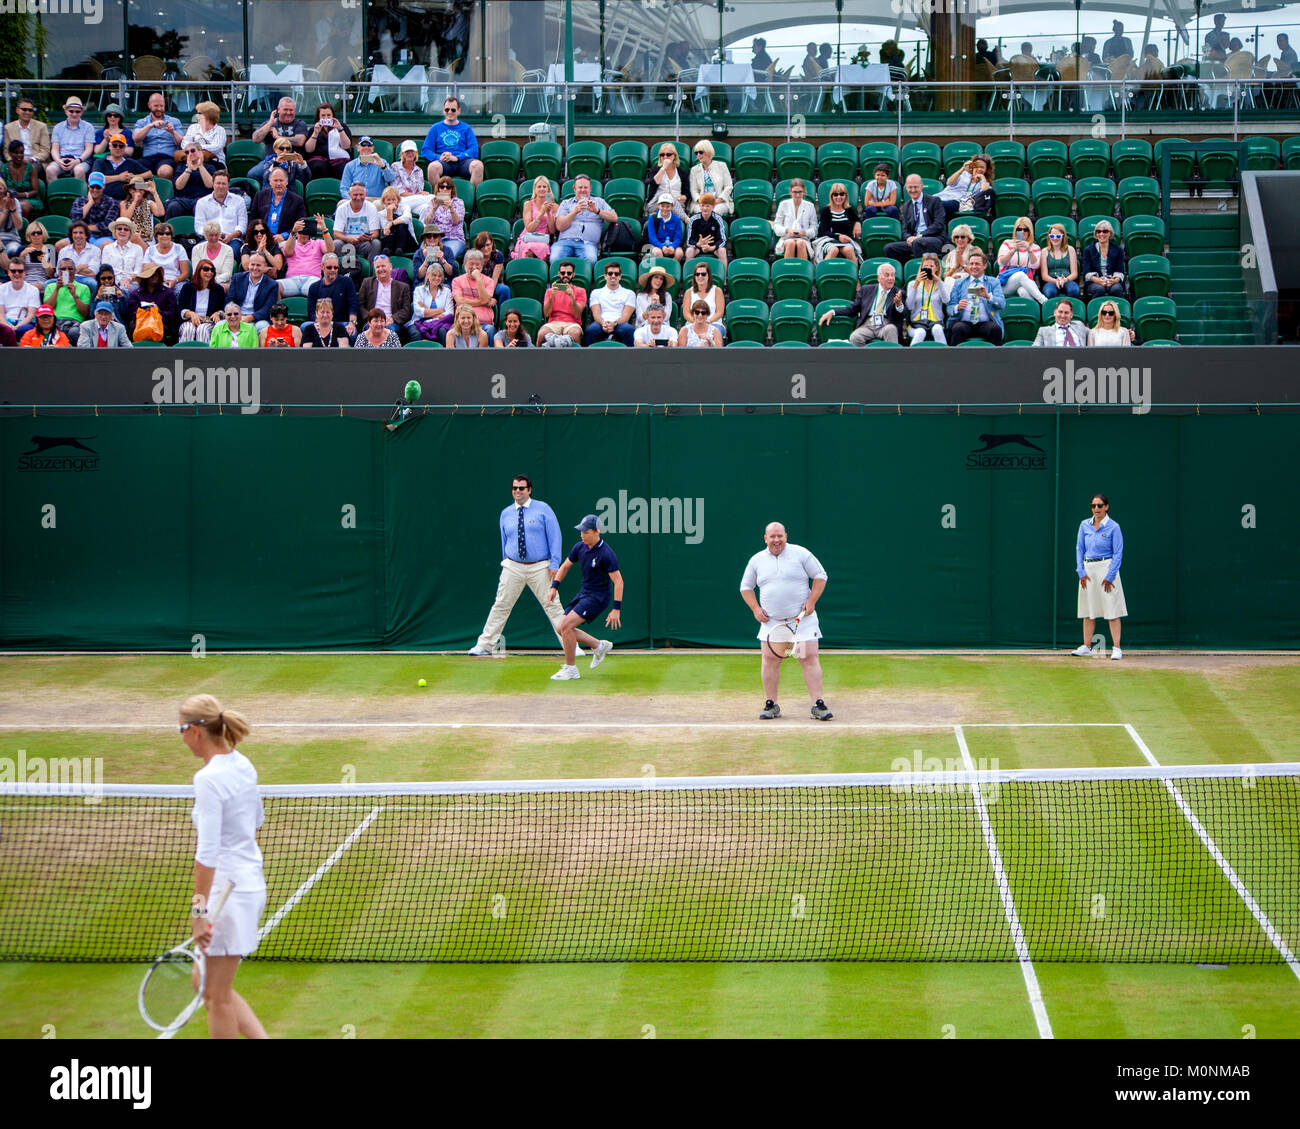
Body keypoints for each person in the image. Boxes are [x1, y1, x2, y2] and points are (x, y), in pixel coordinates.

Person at [176, 693, 269, 1039]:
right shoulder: (243, 764)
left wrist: (199, 911)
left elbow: (208, 852)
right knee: (207, 983)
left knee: (215, 997)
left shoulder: (208, 780)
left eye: (180, 729)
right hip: (248, 885)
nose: (181, 737)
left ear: (195, 731)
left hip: (224, 896)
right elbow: (255, 819)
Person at [469, 475, 572, 656]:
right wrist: (506, 562)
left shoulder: (543, 509)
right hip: (512, 566)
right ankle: (485, 644)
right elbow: (504, 540)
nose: (517, 491)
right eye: (515, 488)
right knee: (501, 605)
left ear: (529, 490)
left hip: (540, 566)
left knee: (553, 605)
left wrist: (554, 564)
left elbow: (555, 537)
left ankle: (570, 645)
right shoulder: (506, 513)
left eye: (521, 488)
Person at [739, 521, 833, 721]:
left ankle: (818, 704)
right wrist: (755, 609)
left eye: (779, 536)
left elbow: (820, 576)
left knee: (808, 659)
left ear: (785, 536)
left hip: (802, 622)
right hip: (772, 624)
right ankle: (771, 704)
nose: (776, 540)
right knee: (771, 661)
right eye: (772, 536)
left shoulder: (801, 554)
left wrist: (812, 601)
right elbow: (745, 587)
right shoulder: (756, 560)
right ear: (765, 538)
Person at [545, 514, 621, 681]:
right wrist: (554, 588)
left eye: (586, 532)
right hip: (584, 593)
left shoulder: (606, 554)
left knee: (565, 626)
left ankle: (571, 669)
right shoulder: (579, 547)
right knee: (562, 628)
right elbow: (564, 567)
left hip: (597, 598)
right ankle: (598, 645)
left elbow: (618, 581)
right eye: (581, 531)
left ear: (597, 532)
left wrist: (616, 609)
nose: (582, 535)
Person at [1073, 494, 1126, 659]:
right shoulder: (1084, 525)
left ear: (1106, 507)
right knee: (1088, 610)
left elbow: (1118, 553)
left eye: (1100, 505)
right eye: (1093, 506)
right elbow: (1079, 548)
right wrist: (1080, 571)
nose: (1096, 509)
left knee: (1112, 609)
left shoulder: (1114, 527)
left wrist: (1110, 575)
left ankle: (1116, 648)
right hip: (1088, 569)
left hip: (1107, 567)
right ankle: (1086, 646)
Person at [819, 260, 905, 345]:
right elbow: (852, 309)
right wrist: (833, 312)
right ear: (879, 278)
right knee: (855, 337)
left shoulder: (898, 293)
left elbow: (902, 315)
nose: (891, 278)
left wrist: (898, 305)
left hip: (886, 324)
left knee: (891, 329)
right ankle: (863, 359)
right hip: (868, 323)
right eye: (887, 275)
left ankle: (892, 359)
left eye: (893, 275)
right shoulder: (866, 290)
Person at [419, 95, 484, 186]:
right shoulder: (435, 128)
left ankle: (471, 198)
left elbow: (474, 149)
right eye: (447, 109)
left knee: (478, 166)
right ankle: (440, 200)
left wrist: (457, 157)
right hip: (444, 162)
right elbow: (426, 150)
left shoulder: (466, 128)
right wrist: (439, 157)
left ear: (459, 111)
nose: (450, 112)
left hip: (463, 162)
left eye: (453, 110)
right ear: (443, 110)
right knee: (432, 167)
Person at [946, 249, 1005, 345]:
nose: (973, 267)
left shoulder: (993, 282)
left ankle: (996, 359)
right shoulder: (958, 283)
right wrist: (957, 307)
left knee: (995, 329)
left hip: (985, 323)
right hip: (964, 322)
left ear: (984, 266)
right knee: (958, 328)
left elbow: (1002, 304)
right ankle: (954, 359)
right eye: (971, 264)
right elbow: (949, 308)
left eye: (977, 264)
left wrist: (988, 296)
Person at [553, 175, 614, 264]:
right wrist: (574, 212)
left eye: (586, 187)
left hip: (588, 243)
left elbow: (614, 217)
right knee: (555, 259)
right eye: (580, 187)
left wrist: (597, 211)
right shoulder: (565, 203)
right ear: (574, 188)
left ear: (590, 188)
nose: (583, 190)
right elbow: (559, 226)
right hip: (565, 241)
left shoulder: (599, 202)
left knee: (591, 260)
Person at [248, 99, 310, 185]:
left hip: (292, 159)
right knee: (252, 174)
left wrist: (278, 137)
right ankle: (263, 195)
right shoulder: (270, 123)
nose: (288, 112)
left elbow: (299, 141)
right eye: (285, 109)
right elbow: (255, 139)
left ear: (295, 111)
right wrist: (270, 123)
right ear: (278, 110)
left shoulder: (300, 123)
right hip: (271, 160)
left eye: (291, 110)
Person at [884, 174, 945, 262]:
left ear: (921, 186)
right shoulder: (906, 206)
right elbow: (904, 230)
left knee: (918, 243)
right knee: (889, 248)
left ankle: (921, 272)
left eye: (915, 187)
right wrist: (908, 238)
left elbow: (938, 224)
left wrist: (920, 236)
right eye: (910, 187)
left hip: (934, 239)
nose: (913, 190)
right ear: (906, 187)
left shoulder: (934, 201)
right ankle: (906, 273)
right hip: (914, 241)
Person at [194, 171, 248, 264]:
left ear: (228, 185)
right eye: (218, 183)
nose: (221, 186)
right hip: (208, 238)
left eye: (224, 184)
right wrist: (212, 236)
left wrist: (230, 236)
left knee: (232, 253)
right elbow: (199, 227)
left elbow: (242, 225)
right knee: (197, 252)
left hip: (232, 239)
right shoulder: (202, 202)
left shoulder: (239, 201)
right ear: (213, 184)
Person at [359, 253, 413, 340]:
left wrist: (392, 319)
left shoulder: (403, 287)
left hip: (391, 322)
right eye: (377, 267)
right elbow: (360, 305)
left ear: (390, 266)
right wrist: (371, 318)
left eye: (383, 266)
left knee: (389, 331)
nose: (381, 269)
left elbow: (406, 310)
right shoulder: (367, 283)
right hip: (371, 321)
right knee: (371, 330)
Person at [277, 213, 332, 298]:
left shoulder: (318, 242)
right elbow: (288, 252)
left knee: (319, 288)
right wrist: (293, 232)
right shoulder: (291, 242)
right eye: (301, 231)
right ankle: (278, 310)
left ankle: (315, 311)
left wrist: (324, 230)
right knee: (274, 286)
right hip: (292, 280)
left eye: (306, 231)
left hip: (312, 279)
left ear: (310, 232)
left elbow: (330, 249)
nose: (303, 234)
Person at [307, 253, 359, 338]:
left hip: (341, 322)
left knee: (352, 333)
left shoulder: (347, 282)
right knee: (304, 327)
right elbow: (311, 312)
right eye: (329, 267)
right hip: (321, 323)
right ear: (322, 267)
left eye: (335, 267)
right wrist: (319, 323)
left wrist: (352, 323)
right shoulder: (314, 287)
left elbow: (353, 305)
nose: (333, 270)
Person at [995, 216, 1047, 303]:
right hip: (1005, 283)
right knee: (1020, 275)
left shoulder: (1035, 247)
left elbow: (1035, 265)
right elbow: (1000, 262)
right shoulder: (1007, 243)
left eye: (1025, 229)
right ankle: (1044, 301)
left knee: (1023, 291)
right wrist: (1013, 250)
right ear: (1015, 231)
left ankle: (1033, 311)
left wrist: (1029, 249)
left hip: (1026, 282)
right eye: (1019, 229)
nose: (1022, 232)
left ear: (1030, 231)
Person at [131, 92, 183, 178]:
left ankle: (164, 191)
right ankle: (142, 190)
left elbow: (180, 143)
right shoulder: (142, 122)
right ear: (149, 105)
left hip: (167, 158)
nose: (159, 108)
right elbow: (136, 138)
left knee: (165, 172)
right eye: (156, 106)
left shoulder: (174, 121)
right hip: (147, 157)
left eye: (161, 106)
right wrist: (150, 126)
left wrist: (172, 132)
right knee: (134, 170)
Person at [124, 261, 179, 342]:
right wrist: (144, 312)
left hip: (162, 326)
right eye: (152, 275)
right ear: (145, 278)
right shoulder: (136, 294)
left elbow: (173, 312)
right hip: (141, 326)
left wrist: (159, 313)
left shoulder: (168, 293)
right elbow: (131, 313)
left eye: (157, 274)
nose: (155, 277)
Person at [585, 261, 636, 345]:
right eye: (610, 273)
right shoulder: (596, 292)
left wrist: (614, 324)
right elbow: (596, 313)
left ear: (620, 276)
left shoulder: (629, 293)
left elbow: (625, 317)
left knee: (629, 330)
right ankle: (590, 357)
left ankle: (629, 357)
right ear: (605, 276)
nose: (613, 276)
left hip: (620, 324)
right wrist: (603, 323)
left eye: (616, 274)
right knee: (591, 330)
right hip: (601, 323)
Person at [904, 253, 950, 344]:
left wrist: (938, 281)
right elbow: (909, 306)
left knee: (937, 329)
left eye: (931, 266)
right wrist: (916, 284)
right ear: (921, 268)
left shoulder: (941, 285)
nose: (928, 268)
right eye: (925, 266)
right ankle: (911, 357)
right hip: (917, 324)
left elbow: (946, 300)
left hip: (936, 322)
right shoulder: (912, 284)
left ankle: (945, 356)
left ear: (936, 268)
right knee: (920, 332)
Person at [226, 251, 278, 332]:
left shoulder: (272, 284)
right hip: (236, 315)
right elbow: (230, 300)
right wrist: (236, 315)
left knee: (263, 327)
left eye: (258, 265)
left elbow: (268, 308)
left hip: (257, 319)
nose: (255, 268)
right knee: (219, 325)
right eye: (252, 264)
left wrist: (251, 317)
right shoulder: (237, 278)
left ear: (265, 266)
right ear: (248, 265)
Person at [537, 261, 586, 346]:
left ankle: (578, 358)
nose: (566, 275)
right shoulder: (550, 291)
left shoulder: (580, 291)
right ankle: (536, 358)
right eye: (563, 273)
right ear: (559, 274)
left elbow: (577, 314)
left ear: (573, 274)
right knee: (541, 334)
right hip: (554, 322)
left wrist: (572, 297)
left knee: (575, 333)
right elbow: (547, 314)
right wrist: (551, 297)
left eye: (569, 273)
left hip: (572, 323)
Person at [46, 97, 94, 183]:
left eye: (77, 111)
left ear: (81, 112)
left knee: (79, 170)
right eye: (71, 111)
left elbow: (89, 149)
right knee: (50, 170)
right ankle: (56, 195)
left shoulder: (88, 127)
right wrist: (59, 161)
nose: (74, 114)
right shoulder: (58, 127)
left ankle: (80, 196)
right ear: (66, 111)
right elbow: (54, 149)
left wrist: (78, 161)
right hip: (62, 160)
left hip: (80, 160)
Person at [251, 167, 307, 241]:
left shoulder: (297, 200)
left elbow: (301, 224)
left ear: (287, 182)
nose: (278, 183)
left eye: (281, 180)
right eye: (275, 180)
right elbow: (252, 220)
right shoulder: (259, 196)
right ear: (270, 182)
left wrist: (284, 236)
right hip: (260, 238)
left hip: (284, 241)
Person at [166, 142, 218, 220]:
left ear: (200, 152)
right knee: (173, 206)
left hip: (202, 199)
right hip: (183, 199)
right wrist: (189, 169)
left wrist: (200, 166)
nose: (190, 153)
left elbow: (210, 185)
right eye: (187, 152)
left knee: (199, 207)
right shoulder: (181, 167)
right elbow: (178, 186)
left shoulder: (210, 167)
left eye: (193, 150)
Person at [420, 176, 467, 262]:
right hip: (434, 238)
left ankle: (444, 274)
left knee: (447, 255)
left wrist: (451, 208)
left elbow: (456, 221)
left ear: (451, 190)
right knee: (429, 256)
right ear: (438, 189)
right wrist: (434, 209)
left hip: (454, 238)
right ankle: (432, 274)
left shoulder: (459, 202)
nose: (445, 189)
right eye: (442, 187)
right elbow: (427, 222)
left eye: (448, 187)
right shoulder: (433, 201)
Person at [333, 182, 382, 264]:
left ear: (365, 194)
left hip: (364, 243)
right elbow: (336, 234)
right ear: (349, 194)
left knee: (376, 243)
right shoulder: (342, 208)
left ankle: (371, 272)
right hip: (347, 243)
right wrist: (348, 239)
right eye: (355, 195)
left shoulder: (371, 207)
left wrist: (366, 237)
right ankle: (346, 270)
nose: (358, 198)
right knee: (336, 243)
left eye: (361, 194)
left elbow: (375, 233)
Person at [178, 259, 226, 342]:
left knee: (202, 329)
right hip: (189, 321)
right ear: (198, 271)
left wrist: (218, 313)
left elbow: (223, 308)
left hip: (209, 322)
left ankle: (204, 355)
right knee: (188, 329)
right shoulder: (188, 288)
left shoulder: (218, 289)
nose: (209, 272)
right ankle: (183, 355)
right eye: (206, 269)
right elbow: (180, 307)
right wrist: (191, 314)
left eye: (212, 270)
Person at [814, 183, 862, 264]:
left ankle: (854, 275)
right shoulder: (826, 210)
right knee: (833, 250)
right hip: (829, 240)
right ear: (831, 196)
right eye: (835, 194)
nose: (839, 197)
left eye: (841, 194)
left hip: (846, 241)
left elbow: (857, 219)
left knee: (849, 250)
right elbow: (824, 231)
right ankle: (822, 272)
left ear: (846, 196)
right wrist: (838, 236)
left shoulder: (849, 210)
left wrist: (858, 223)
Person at [42, 259, 92, 337]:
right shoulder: (50, 286)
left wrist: (74, 294)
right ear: (59, 272)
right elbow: (48, 308)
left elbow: (85, 312)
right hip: (54, 321)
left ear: (75, 271)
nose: (67, 271)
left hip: (74, 322)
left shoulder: (84, 288)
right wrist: (57, 289)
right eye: (63, 269)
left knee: (75, 332)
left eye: (70, 268)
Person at [92, 133, 148, 203]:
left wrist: (134, 177)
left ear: (125, 148)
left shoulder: (131, 162)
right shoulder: (100, 162)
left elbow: (149, 174)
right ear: (109, 146)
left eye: (121, 146)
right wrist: (119, 177)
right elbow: (95, 178)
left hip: (125, 202)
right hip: (103, 201)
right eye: (114, 145)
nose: (117, 148)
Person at [1080, 219, 1126, 301]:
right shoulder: (1088, 250)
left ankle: (1121, 311)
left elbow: (1120, 270)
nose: (1101, 234)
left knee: (1116, 289)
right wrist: (1098, 280)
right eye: (1098, 231)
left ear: (1110, 233)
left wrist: (1114, 281)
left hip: (1112, 280)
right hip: (1095, 281)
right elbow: (1086, 272)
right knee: (1100, 289)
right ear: (1095, 233)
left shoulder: (1118, 250)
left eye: (1105, 231)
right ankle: (1093, 311)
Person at [303, 103, 351, 181]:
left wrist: (340, 129)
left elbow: (346, 146)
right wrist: (315, 133)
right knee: (318, 166)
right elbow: (308, 149)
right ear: (318, 117)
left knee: (343, 168)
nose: (326, 118)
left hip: (339, 158)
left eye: (328, 115)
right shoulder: (313, 129)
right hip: (319, 159)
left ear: (333, 116)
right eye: (323, 115)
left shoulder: (342, 127)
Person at [937, 154, 993, 220]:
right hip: (941, 197)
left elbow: (986, 192)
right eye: (977, 166)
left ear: (986, 170)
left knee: (935, 204)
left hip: (956, 202)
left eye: (982, 167)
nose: (979, 169)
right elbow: (949, 183)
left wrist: (983, 178)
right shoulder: (963, 174)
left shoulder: (984, 184)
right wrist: (963, 168)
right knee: (928, 202)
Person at [773, 178, 817, 260]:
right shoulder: (783, 204)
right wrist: (787, 230)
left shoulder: (810, 206)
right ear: (790, 191)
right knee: (790, 243)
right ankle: (789, 272)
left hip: (803, 239)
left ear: (804, 191)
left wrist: (804, 232)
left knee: (800, 243)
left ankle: (803, 272)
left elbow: (814, 229)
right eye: (795, 192)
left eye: (800, 192)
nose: (797, 195)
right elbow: (776, 227)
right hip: (786, 238)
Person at [340, 135, 394, 200]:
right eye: (363, 145)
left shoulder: (381, 161)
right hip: (356, 199)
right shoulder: (350, 166)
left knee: (378, 204)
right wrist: (352, 199)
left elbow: (390, 179)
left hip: (376, 199)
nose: (366, 147)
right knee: (341, 203)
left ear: (373, 148)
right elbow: (344, 188)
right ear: (358, 148)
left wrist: (383, 167)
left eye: (369, 145)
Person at [688, 140, 734, 216]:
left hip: (720, 202)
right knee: (702, 212)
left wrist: (718, 200)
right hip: (700, 203)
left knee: (713, 212)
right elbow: (693, 190)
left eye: (701, 152)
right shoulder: (694, 170)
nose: (698, 155)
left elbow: (728, 186)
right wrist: (702, 202)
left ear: (708, 151)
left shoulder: (721, 166)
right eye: (696, 153)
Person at [680, 261, 725, 337]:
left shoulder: (717, 290)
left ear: (708, 276)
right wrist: (697, 322)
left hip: (713, 323)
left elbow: (719, 312)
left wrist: (707, 321)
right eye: (697, 274)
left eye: (703, 274)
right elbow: (686, 313)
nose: (700, 276)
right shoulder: (688, 292)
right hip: (693, 323)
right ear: (694, 277)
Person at [410, 263, 454, 341]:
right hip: (419, 321)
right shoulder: (419, 290)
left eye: (440, 276)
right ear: (427, 275)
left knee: (442, 331)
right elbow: (418, 312)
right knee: (416, 333)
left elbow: (449, 313)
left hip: (441, 322)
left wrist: (426, 310)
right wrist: (440, 311)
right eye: (434, 275)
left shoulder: (447, 291)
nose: (437, 278)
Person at [516, 176, 557, 260]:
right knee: (529, 250)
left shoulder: (555, 206)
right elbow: (529, 229)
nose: (542, 189)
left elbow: (552, 230)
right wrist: (541, 213)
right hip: (529, 237)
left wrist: (549, 213)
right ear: (535, 189)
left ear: (548, 189)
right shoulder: (528, 204)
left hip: (543, 239)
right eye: (539, 186)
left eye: (544, 187)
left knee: (543, 248)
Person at [6, 97, 51, 170]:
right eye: (24, 109)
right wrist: (15, 160)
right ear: (17, 110)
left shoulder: (41, 127)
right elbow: (6, 151)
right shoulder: (8, 128)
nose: (27, 112)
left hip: (35, 162)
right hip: (15, 161)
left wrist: (33, 159)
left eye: (30, 110)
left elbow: (45, 149)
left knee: (30, 169)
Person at [684, 192, 727, 266]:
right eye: (702, 205)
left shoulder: (718, 219)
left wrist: (712, 247)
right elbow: (689, 241)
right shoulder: (694, 219)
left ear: (713, 206)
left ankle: (724, 277)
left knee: (722, 251)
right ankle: (688, 275)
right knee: (689, 251)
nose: (704, 208)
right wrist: (698, 244)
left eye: (707, 206)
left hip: (713, 247)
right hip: (698, 247)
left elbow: (722, 240)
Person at [179, 101, 227, 169]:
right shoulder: (193, 127)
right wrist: (197, 149)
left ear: (208, 115)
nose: (196, 116)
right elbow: (184, 144)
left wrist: (195, 147)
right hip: (192, 160)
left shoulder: (220, 130)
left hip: (214, 162)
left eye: (199, 113)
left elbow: (216, 147)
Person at [647, 143, 688, 222]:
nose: (665, 157)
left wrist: (678, 198)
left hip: (677, 205)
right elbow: (653, 184)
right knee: (668, 198)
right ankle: (687, 220)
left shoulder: (681, 173)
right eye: (662, 155)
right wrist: (663, 168)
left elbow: (686, 194)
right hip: (657, 204)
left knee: (671, 200)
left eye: (668, 154)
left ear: (674, 156)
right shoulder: (655, 170)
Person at [389, 139, 429, 218]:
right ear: (402, 153)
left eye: (412, 151)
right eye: (407, 151)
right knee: (430, 199)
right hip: (400, 201)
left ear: (416, 153)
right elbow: (399, 192)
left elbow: (419, 190)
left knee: (426, 207)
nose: (409, 154)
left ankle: (423, 229)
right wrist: (418, 195)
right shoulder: (395, 166)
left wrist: (420, 194)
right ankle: (435, 199)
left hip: (415, 202)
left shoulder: (419, 170)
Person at [1039, 223, 1080, 299]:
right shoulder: (1044, 251)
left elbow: (1074, 273)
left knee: (1074, 290)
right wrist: (1056, 281)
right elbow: (1044, 276)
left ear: (1063, 237)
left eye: (1058, 236)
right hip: (1051, 280)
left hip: (1067, 279)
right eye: (1052, 236)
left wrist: (1065, 280)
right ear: (1049, 237)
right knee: (1050, 292)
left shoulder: (1070, 250)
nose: (1055, 238)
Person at [56, 221, 102, 287]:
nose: (78, 235)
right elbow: (59, 272)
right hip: (65, 279)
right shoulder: (64, 251)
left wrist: (69, 270)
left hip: (85, 279)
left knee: (92, 283)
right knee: (48, 283)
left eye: (81, 233)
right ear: (71, 235)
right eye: (75, 233)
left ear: (86, 235)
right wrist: (80, 267)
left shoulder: (95, 250)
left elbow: (92, 273)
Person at [100, 217, 143, 287]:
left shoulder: (138, 249)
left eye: (126, 229)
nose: (122, 231)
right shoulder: (107, 248)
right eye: (119, 229)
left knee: (124, 290)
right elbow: (105, 270)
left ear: (130, 233)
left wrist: (128, 280)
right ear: (115, 231)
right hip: (111, 283)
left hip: (131, 283)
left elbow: (138, 271)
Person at [5, 138, 42, 220]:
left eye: (21, 153)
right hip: (10, 199)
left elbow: (35, 191)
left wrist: (21, 195)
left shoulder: (30, 168)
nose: (19, 156)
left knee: (22, 206)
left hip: (29, 199)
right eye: (16, 153)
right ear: (10, 153)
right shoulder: (4, 168)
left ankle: (23, 230)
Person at [192, 220, 236, 286]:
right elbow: (196, 271)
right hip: (201, 282)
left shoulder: (228, 250)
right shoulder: (197, 249)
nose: (214, 238)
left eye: (216, 235)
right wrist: (205, 281)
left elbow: (227, 274)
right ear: (206, 235)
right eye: (211, 235)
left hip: (221, 283)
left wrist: (212, 281)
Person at [3, 260, 42, 333]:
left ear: (25, 273)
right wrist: (8, 327)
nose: (17, 273)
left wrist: (16, 327)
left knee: (25, 329)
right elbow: (0, 314)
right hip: (6, 321)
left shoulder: (33, 290)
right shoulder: (1, 289)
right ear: (8, 273)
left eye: (20, 271)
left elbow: (30, 316)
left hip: (25, 322)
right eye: (13, 271)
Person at [644, 193, 685, 262]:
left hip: (672, 244)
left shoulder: (677, 219)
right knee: (657, 252)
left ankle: (672, 269)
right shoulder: (652, 218)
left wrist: (673, 246)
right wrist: (661, 246)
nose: (665, 209)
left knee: (679, 253)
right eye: (662, 206)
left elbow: (678, 237)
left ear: (672, 206)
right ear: (658, 205)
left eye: (668, 206)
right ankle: (662, 269)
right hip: (656, 245)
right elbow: (652, 238)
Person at [17, 221, 54, 290]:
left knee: (31, 288)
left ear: (43, 234)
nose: (36, 235)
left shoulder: (51, 249)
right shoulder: (22, 249)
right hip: (24, 280)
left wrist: (45, 262)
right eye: (33, 233)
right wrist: (22, 256)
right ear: (29, 235)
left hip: (42, 281)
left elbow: (52, 275)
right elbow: (16, 270)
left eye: (39, 233)